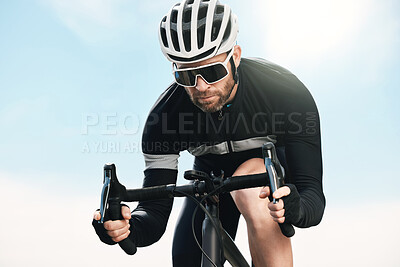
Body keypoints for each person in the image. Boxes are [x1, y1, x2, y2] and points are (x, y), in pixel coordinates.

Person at [93, 0, 325, 266]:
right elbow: (153, 215)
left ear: (235, 56)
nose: (201, 86)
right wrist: (124, 227)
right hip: (209, 179)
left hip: (266, 173)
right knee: (186, 260)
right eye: (186, 76)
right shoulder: (165, 118)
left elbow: (312, 197)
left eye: (212, 71)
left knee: (253, 188)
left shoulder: (286, 94)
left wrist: (297, 208)